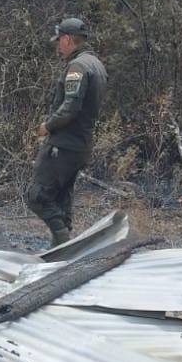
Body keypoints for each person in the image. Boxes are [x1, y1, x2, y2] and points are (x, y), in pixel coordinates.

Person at [25, 17, 107, 247]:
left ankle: (62, 241)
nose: (58, 46)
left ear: (68, 39)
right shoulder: (96, 64)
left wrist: (47, 126)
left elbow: (70, 107)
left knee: (37, 195)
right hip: (81, 144)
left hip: (64, 144)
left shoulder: (78, 67)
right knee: (62, 197)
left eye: (59, 41)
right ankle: (61, 251)